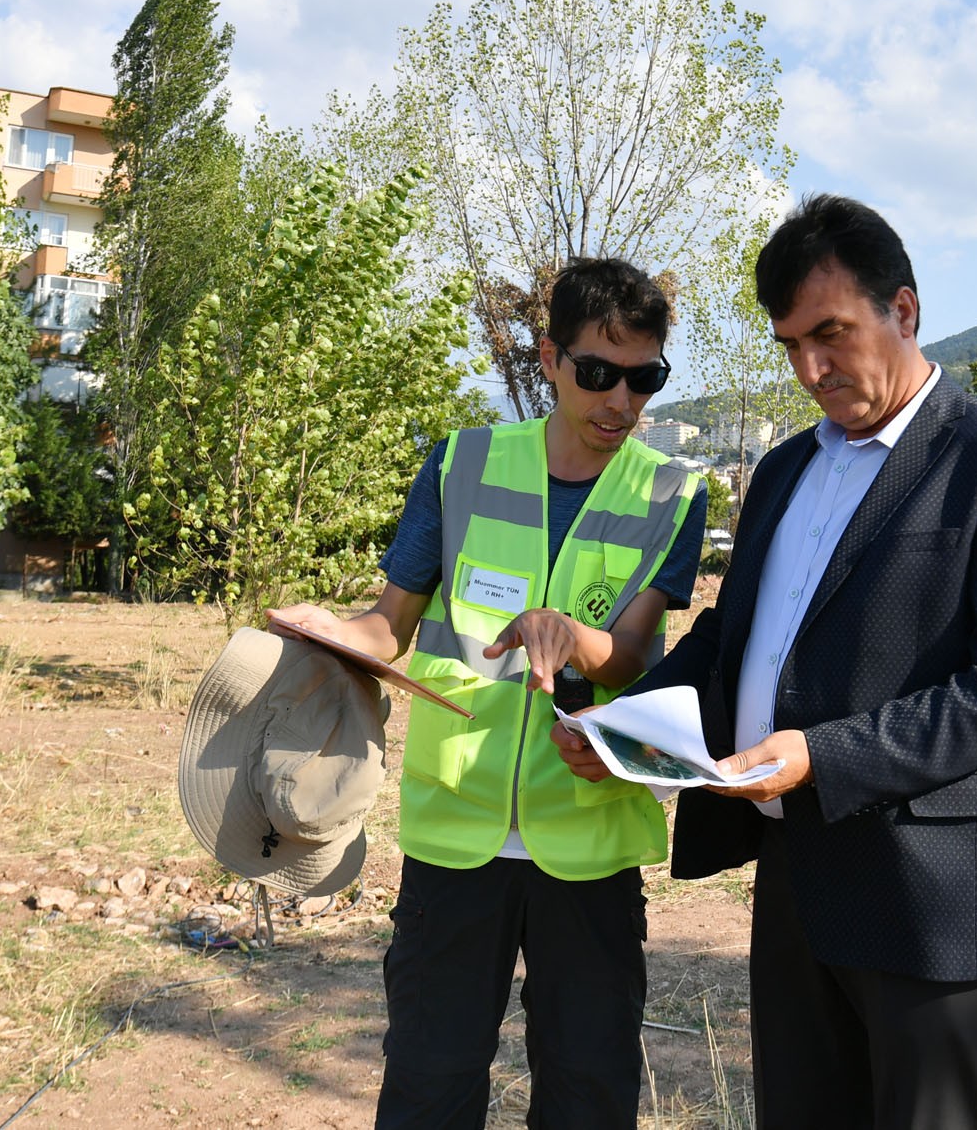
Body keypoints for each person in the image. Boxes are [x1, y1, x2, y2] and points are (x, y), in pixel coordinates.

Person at [553, 195, 977, 1129]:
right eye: (791, 344)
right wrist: (625, 723)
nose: (809, 369)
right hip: (798, 881)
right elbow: (729, 637)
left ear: (903, 310)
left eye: (830, 334)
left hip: (935, 901)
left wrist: (820, 756)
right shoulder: (785, 471)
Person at [272, 256, 707, 1129]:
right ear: (549, 358)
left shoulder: (674, 490)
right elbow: (390, 624)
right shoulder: (460, 464)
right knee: (429, 1089)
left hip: (589, 845)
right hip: (456, 833)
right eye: (598, 373)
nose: (621, 401)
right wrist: (331, 630)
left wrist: (571, 635)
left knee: (588, 1096)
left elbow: (628, 654)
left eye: (645, 378)